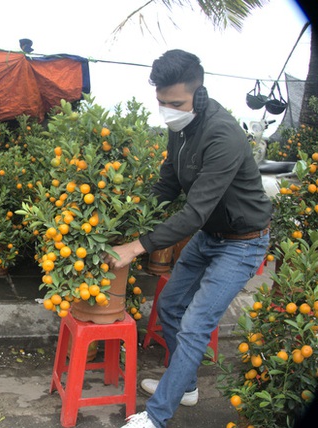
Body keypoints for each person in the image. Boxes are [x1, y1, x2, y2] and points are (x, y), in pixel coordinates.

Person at [106, 49, 272, 428]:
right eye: (162, 103)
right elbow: (167, 183)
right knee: (171, 307)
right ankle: (186, 386)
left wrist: (135, 247)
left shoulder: (223, 134)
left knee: (196, 324)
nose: (168, 110)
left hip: (243, 241)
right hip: (211, 234)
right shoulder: (178, 128)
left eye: (176, 103)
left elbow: (193, 212)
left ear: (199, 95)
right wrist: (123, 217)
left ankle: (157, 417)